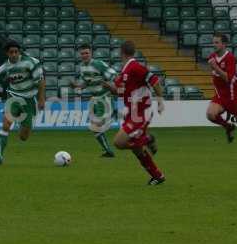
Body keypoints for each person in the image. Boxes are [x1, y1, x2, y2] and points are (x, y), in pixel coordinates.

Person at [104, 41, 166, 185]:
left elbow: (154, 80)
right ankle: (158, 176)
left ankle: (148, 139)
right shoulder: (126, 71)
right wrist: (108, 86)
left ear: (121, 53)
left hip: (141, 112)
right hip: (132, 113)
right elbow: (120, 92)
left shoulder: (135, 67)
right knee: (137, 149)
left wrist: (160, 101)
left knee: (119, 142)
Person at [0, 40, 45, 166]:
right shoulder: (3, 68)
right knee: (5, 125)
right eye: (11, 52)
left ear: (19, 51)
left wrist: (41, 99)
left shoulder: (31, 62)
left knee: (24, 137)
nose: (14, 54)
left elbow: (41, 82)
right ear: (7, 53)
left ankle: (21, 122)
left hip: (29, 100)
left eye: (16, 52)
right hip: (13, 98)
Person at [71, 43, 116, 157]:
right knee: (95, 127)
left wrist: (111, 87)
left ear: (91, 53)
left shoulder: (98, 64)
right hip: (95, 99)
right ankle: (107, 151)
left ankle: (108, 149)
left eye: (86, 53)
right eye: (82, 53)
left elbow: (113, 76)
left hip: (104, 98)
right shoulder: (82, 67)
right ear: (79, 55)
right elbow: (86, 83)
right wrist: (76, 86)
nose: (84, 55)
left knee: (95, 126)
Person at [206, 32, 237, 142]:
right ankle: (228, 127)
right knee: (210, 114)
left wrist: (215, 67)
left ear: (224, 44)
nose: (213, 45)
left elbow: (228, 79)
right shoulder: (212, 57)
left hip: (233, 95)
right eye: (213, 42)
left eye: (217, 42)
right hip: (220, 95)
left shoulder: (230, 58)